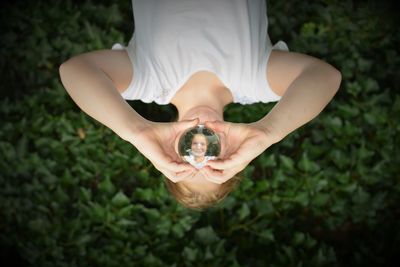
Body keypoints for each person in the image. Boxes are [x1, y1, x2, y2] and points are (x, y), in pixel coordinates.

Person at [59, 0, 342, 210]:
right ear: (233, 152)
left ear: (170, 151)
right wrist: (267, 132)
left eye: (187, 161)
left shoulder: (148, 80)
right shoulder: (256, 81)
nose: (200, 149)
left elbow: (74, 70)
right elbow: (325, 77)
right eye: (214, 161)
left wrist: (137, 131)